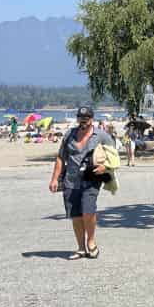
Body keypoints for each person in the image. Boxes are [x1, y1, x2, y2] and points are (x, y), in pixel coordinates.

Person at [48, 106, 115, 260]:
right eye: (80, 118)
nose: (83, 120)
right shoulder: (69, 135)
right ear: (77, 118)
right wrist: (54, 178)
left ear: (92, 119)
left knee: (88, 211)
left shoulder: (102, 136)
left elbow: (114, 157)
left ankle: (91, 242)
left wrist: (105, 166)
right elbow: (60, 157)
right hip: (71, 181)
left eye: (86, 118)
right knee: (76, 215)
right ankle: (81, 248)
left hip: (91, 180)